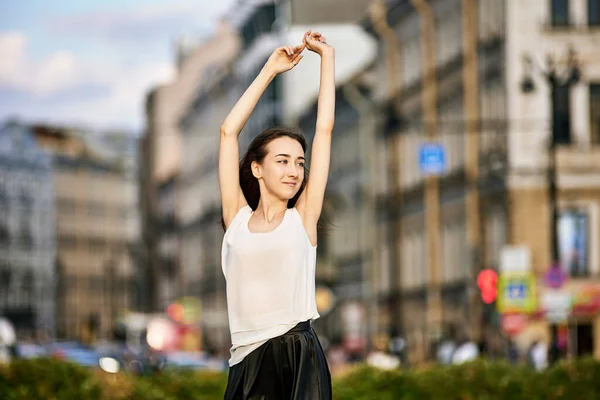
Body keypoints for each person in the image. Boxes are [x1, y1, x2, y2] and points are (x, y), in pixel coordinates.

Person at [219, 30, 335, 400]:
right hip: (247, 358)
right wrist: (270, 69)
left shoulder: (302, 218)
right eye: (282, 161)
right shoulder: (236, 221)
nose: (293, 171)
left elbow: (325, 129)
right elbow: (227, 132)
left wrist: (326, 58)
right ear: (256, 169)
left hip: (299, 355)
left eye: (299, 163)